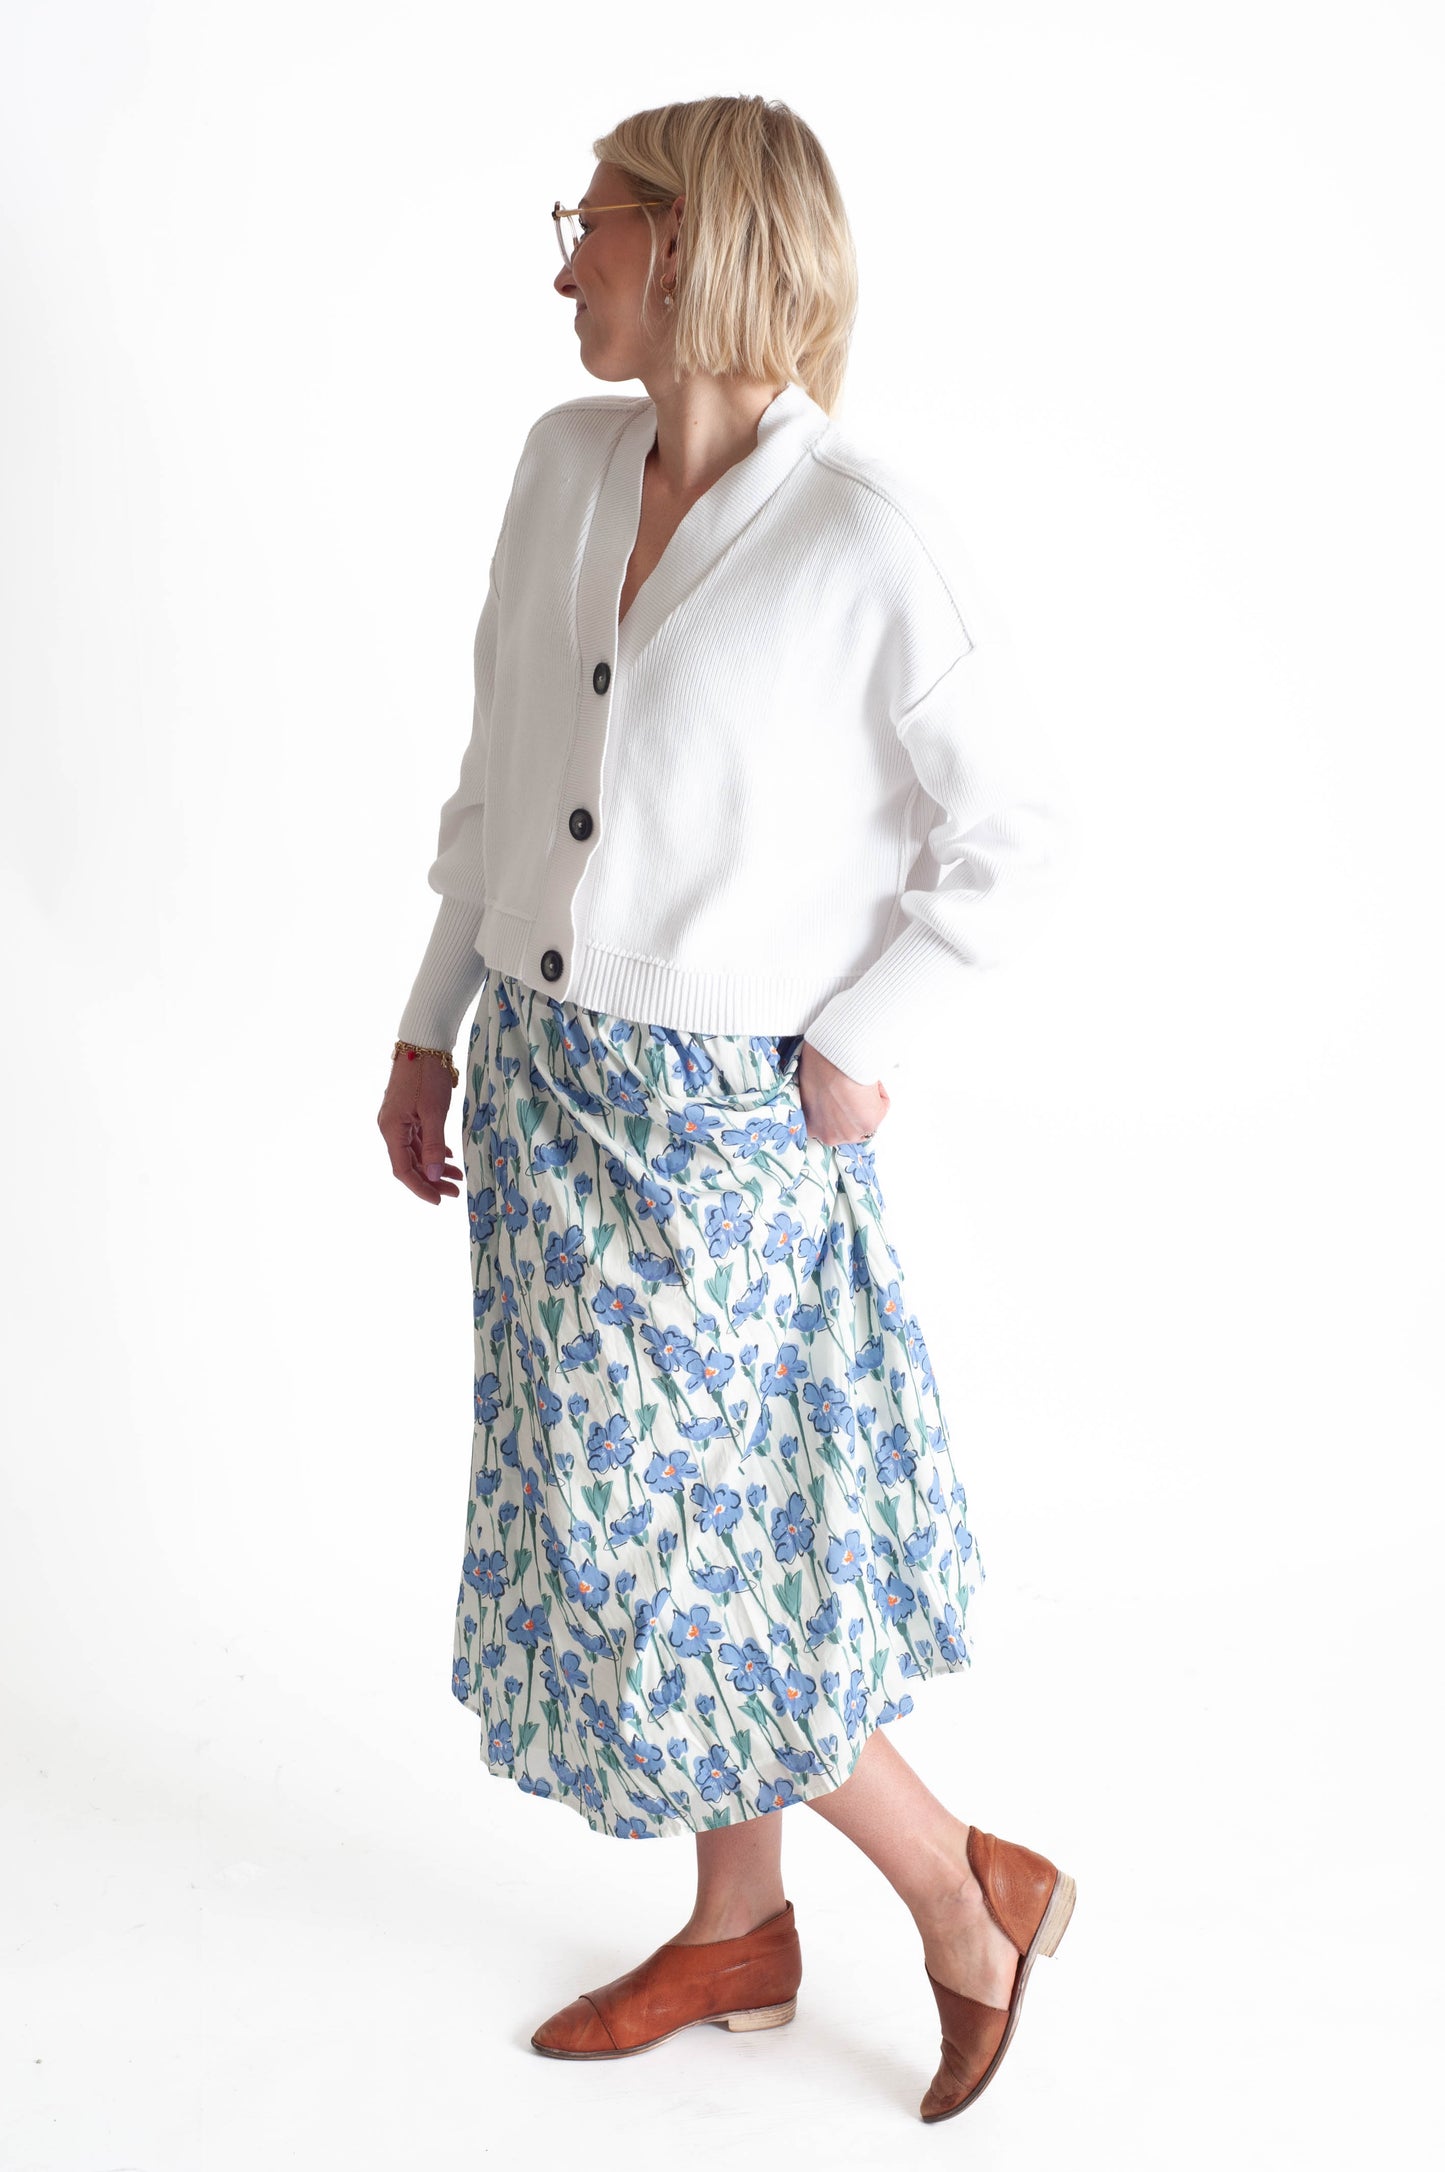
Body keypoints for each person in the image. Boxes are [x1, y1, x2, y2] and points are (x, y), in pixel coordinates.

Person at [376, 94, 1074, 2122]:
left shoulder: (866, 532)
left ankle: (965, 1894)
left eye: (590, 220)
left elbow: (1014, 834)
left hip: (720, 1133)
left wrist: (866, 1035)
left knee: (689, 1564)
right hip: (539, 1088)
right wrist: (431, 1023)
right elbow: (497, 778)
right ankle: (739, 1929)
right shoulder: (561, 467)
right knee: (652, 1541)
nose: (565, 257)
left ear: (694, 248)